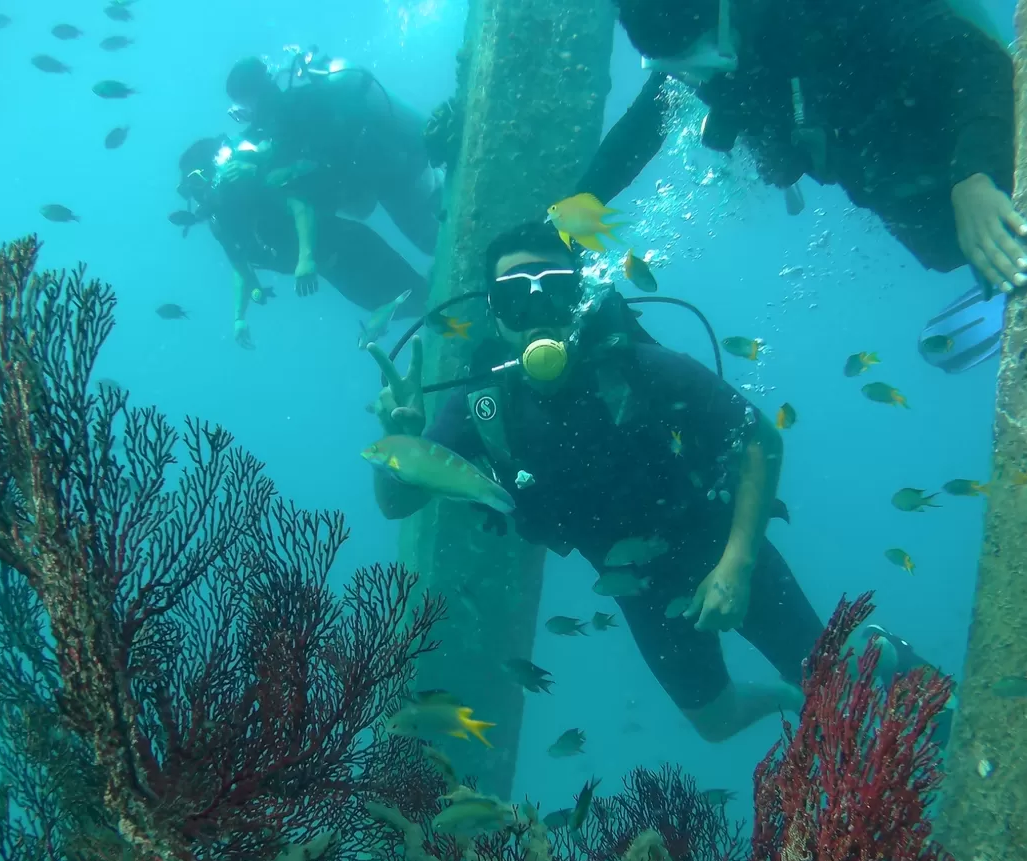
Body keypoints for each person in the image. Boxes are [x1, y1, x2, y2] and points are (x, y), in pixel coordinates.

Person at [365, 222, 823, 742]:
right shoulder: (482, 405)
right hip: (638, 585)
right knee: (716, 724)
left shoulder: (636, 365)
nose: (537, 310)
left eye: (554, 288)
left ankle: (892, 684)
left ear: (578, 294)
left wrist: (736, 565)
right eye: (516, 296)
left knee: (834, 672)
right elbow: (395, 505)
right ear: (493, 311)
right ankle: (788, 698)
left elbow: (759, 439)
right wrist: (398, 444)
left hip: (719, 544)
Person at [579, 0, 1027, 297]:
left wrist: (976, 176)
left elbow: (977, 61)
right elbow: (643, 125)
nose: (699, 82)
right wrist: (578, 201)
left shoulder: (829, 9)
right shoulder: (691, 43)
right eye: (677, 71)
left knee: (967, 220)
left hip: (958, 131)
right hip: (886, 174)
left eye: (699, 62)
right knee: (941, 247)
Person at [176, 137, 427, 348]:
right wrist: (239, 318)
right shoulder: (220, 224)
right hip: (335, 273)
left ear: (211, 173)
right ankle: (453, 323)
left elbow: (300, 207)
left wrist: (305, 259)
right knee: (396, 310)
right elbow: (240, 263)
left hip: (351, 245)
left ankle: (457, 312)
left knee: (418, 294)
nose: (195, 195)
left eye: (196, 182)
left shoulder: (246, 187)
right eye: (187, 190)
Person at [224, 52, 443, 258]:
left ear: (251, 95)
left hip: (392, 170)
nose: (243, 111)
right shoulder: (290, 108)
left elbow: (313, 148)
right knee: (432, 234)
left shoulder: (294, 108)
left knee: (434, 233)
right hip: (387, 172)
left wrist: (274, 166)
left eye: (243, 102)